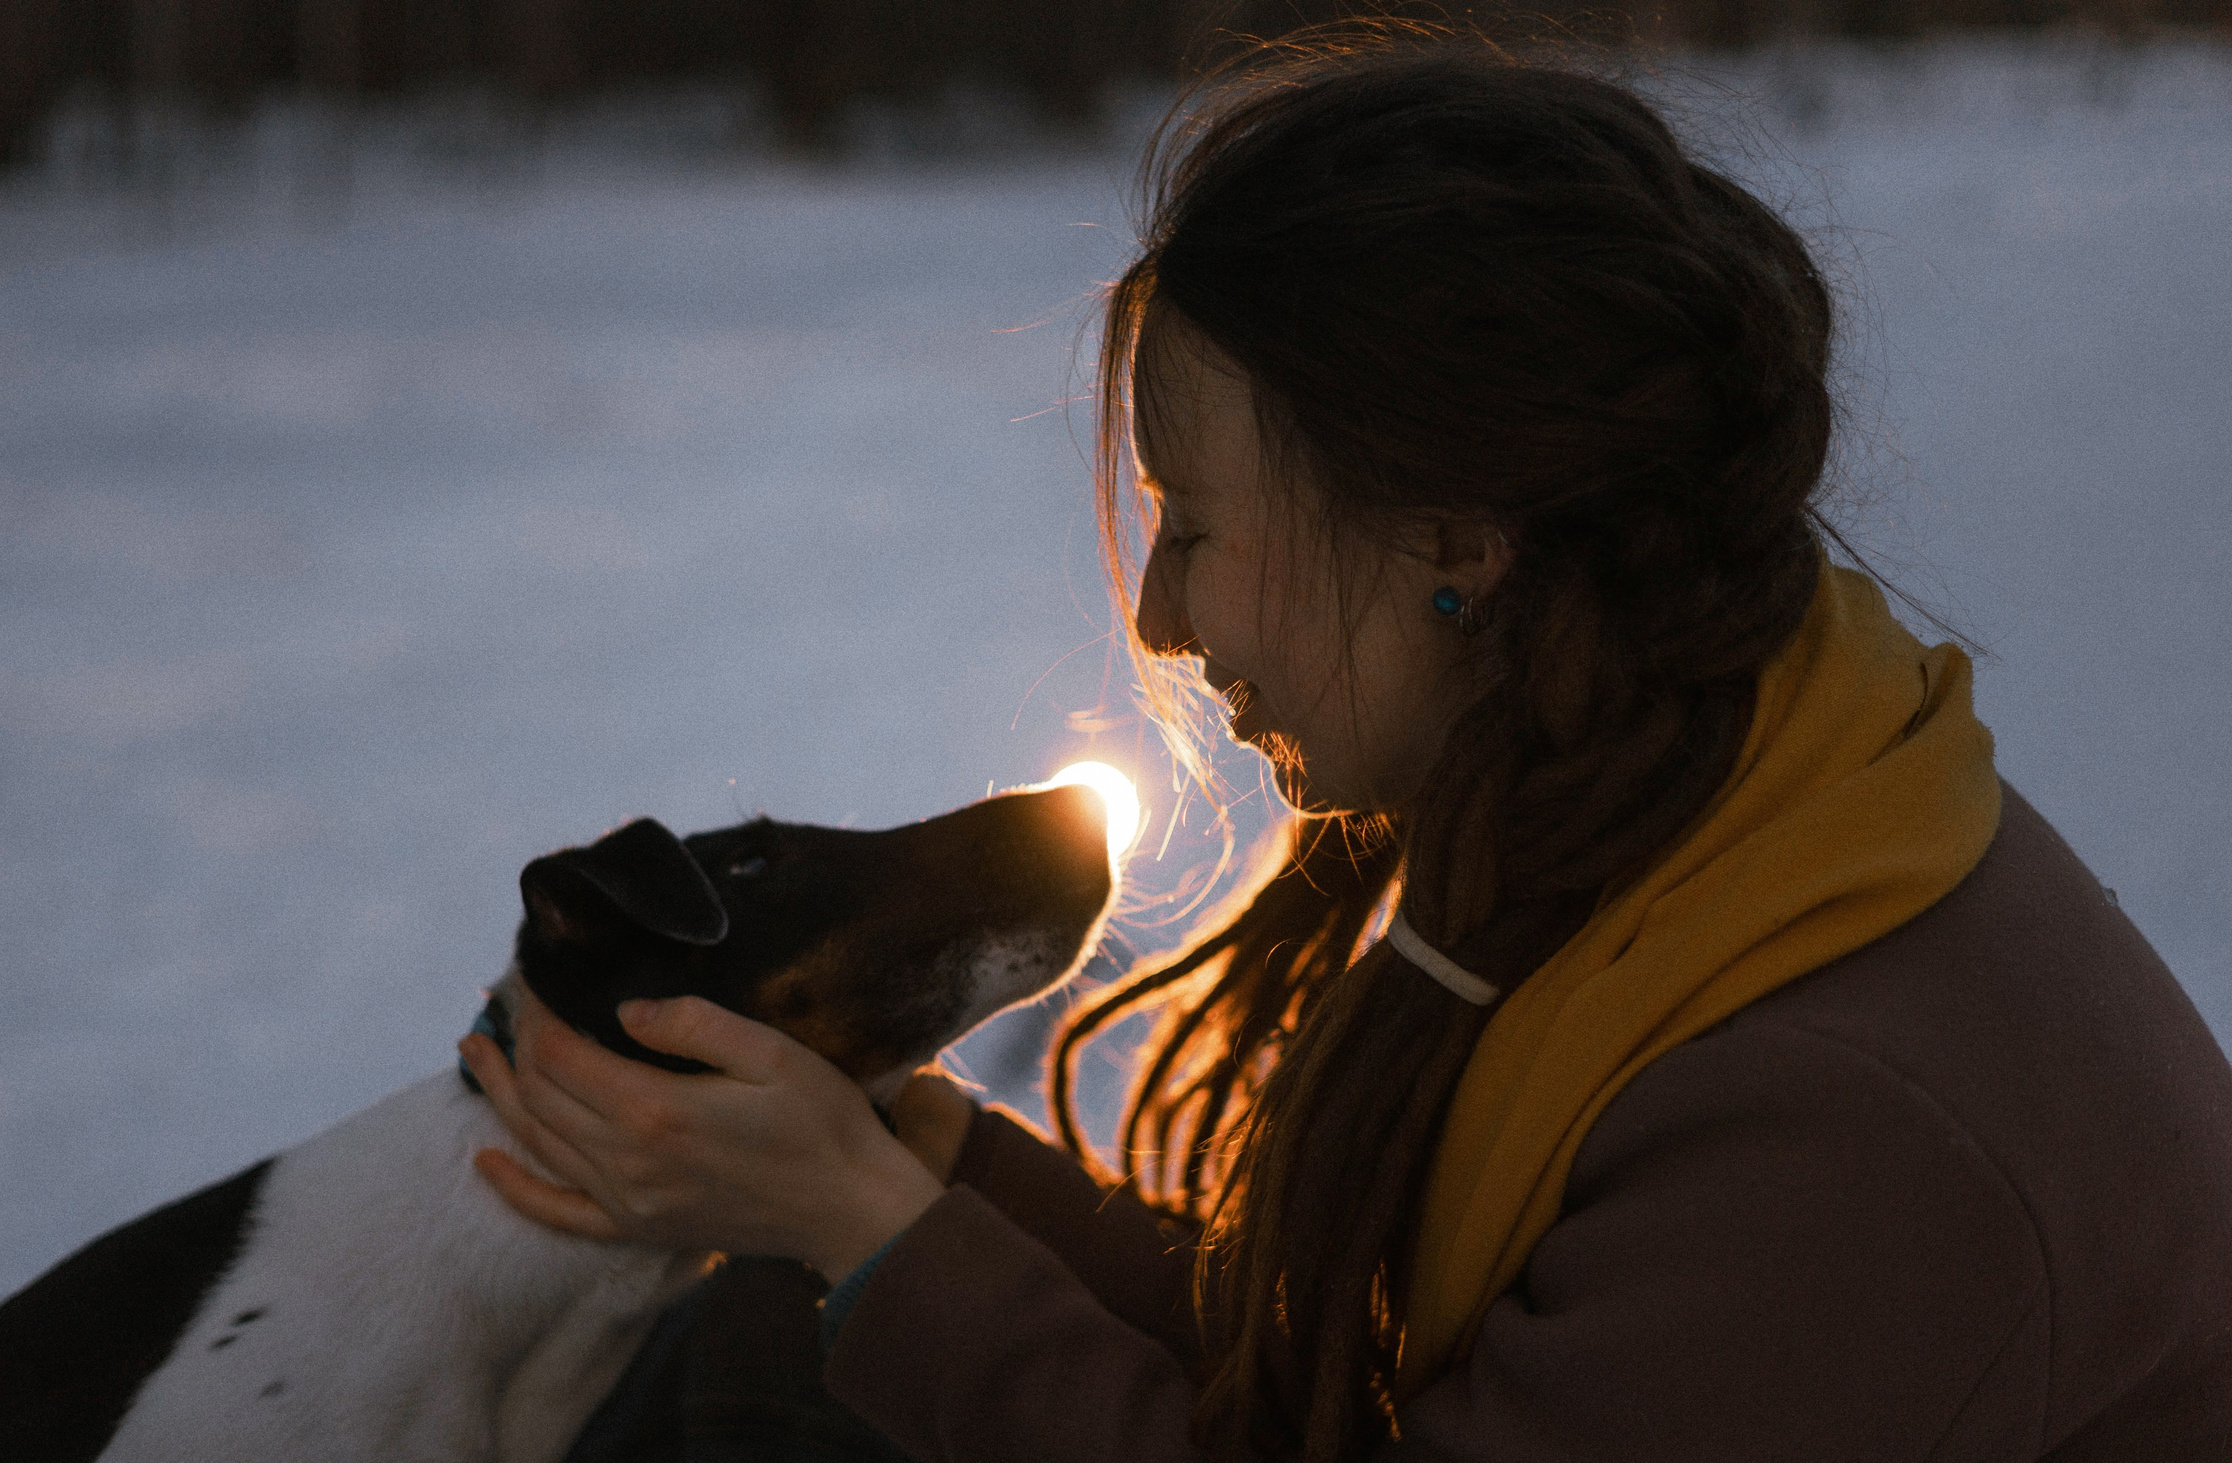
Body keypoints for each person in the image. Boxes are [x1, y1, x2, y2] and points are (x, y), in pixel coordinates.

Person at [457, 31, 2232, 1462]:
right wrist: (919, 1162)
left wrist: (878, 1240)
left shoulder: (1832, 1130)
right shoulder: (1661, 800)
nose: (1163, 619)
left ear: (1457, 540)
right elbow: (1358, 1387)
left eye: (1198, 525)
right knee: (769, 1331)